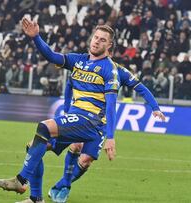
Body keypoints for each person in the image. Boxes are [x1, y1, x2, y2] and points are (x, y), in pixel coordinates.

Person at [0, 18, 120, 203]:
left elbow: (111, 104)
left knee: (44, 127)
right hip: (76, 117)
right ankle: (36, 199)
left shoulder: (109, 69)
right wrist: (36, 37)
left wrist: (110, 136)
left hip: (91, 122)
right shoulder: (78, 60)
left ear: (109, 45)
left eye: (103, 40)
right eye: (96, 37)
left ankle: (21, 180)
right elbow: (52, 56)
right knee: (33, 146)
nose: (97, 41)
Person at [47, 62, 166, 203]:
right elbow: (69, 85)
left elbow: (141, 88)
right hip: (82, 116)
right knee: (76, 145)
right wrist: (67, 110)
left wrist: (155, 107)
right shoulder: (85, 65)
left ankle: (60, 185)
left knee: (86, 161)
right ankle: (64, 187)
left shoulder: (118, 71)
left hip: (100, 123)